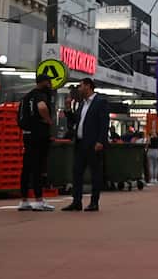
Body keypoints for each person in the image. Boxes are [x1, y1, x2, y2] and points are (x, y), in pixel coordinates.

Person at [63, 78, 107, 212]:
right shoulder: (82, 104)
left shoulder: (100, 102)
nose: (79, 89)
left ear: (88, 86)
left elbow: (104, 123)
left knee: (95, 174)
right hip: (80, 143)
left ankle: (94, 202)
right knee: (77, 172)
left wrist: (100, 141)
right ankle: (76, 202)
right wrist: (68, 108)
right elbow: (76, 121)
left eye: (81, 86)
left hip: (93, 144)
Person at [17, 71, 55, 212]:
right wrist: (48, 120)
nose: (50, 85)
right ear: (42, 82)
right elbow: (42, 107)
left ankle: (24, 200)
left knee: (26, 168)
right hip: (39, 135)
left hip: (27, 135)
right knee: (38, 167)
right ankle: (39, 201)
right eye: (48, 82)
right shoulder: (40, 95)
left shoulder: (26, 97)